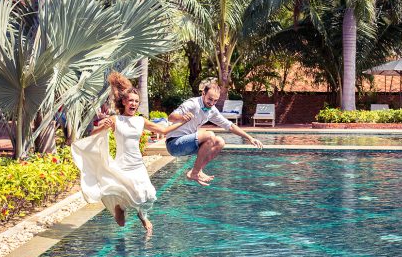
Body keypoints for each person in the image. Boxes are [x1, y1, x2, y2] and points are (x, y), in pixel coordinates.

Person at [71, 72, 190, 234]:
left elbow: (163, 129)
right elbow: (93, 134)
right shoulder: (115, 120)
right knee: (129, 194)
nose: (134, 104)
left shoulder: (141, 120)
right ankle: (120, 207)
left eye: (136, 101)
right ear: (124, 102)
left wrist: (182, 121)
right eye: (131, 101)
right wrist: (102, 126)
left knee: (146, 194)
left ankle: (142, 216)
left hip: (137, 164)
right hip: (122, 165)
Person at [166, 83, 263, 186]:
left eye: (215, 101)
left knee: (220, 142)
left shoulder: (212, 111)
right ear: (203, 93)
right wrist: (182, 117)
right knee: (209, 135)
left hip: (187, 144)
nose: (212, 103)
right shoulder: (192, 104)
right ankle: (196, 172)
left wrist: (250, 138)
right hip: (174, 144)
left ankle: (196, 171)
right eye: (210, 99)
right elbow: (170, 117)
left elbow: (229, 125)